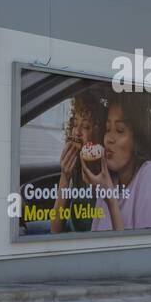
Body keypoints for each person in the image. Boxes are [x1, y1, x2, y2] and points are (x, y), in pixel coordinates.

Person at [83, 95, 151, 231]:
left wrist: (110, 199)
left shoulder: (148, 174)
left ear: (137, 140)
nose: (109, 139)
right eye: (107, 129)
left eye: (120, 130)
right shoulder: (109, 180)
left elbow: (143, 249)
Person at [51, 93, 102, 233]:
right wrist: (64, 176)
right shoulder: (75, 163)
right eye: (75, 124)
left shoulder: (103, 173)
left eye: (85, 127)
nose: (77, 132)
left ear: (98, 134)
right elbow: (55, 229)